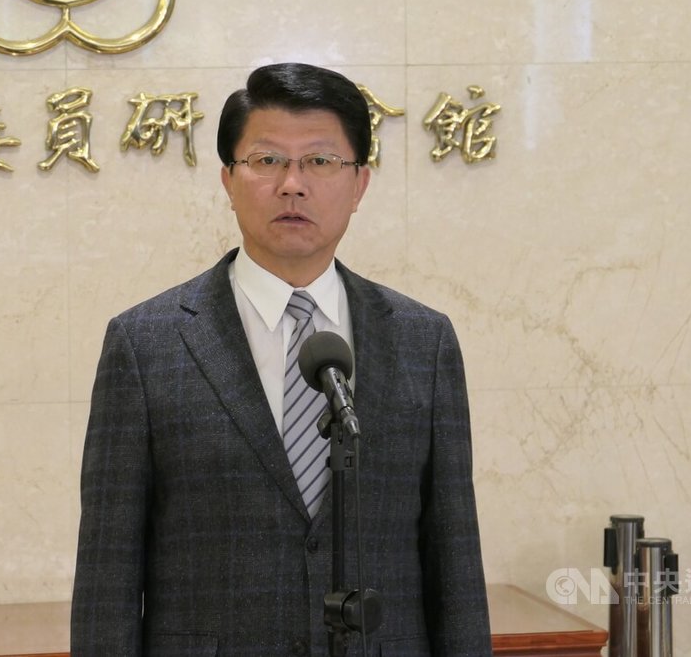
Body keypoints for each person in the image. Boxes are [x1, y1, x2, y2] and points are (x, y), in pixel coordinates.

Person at [71, 62, 491, 656]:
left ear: (360, 184)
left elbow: (455, 561)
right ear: (228, 180)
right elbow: (107, 575)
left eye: (320, 161)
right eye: (267, 160)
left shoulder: (425, 342)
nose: (293, 184)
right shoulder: (145, 345)